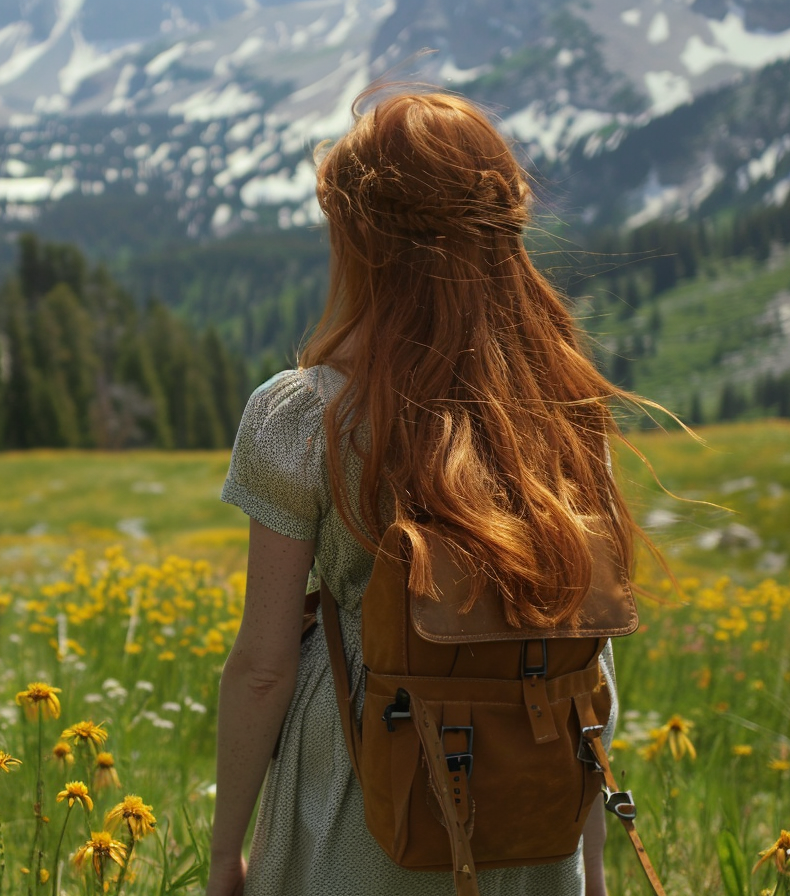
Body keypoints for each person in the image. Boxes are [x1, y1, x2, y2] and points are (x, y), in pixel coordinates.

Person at [207, 89, 644, 896]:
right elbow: (590, 660)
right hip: (534, 802)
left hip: (367, 787)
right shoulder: (572, 412)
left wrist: (225, 849)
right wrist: (589, 862)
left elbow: (264, 668)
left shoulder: (306, 413)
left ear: (361, 239)